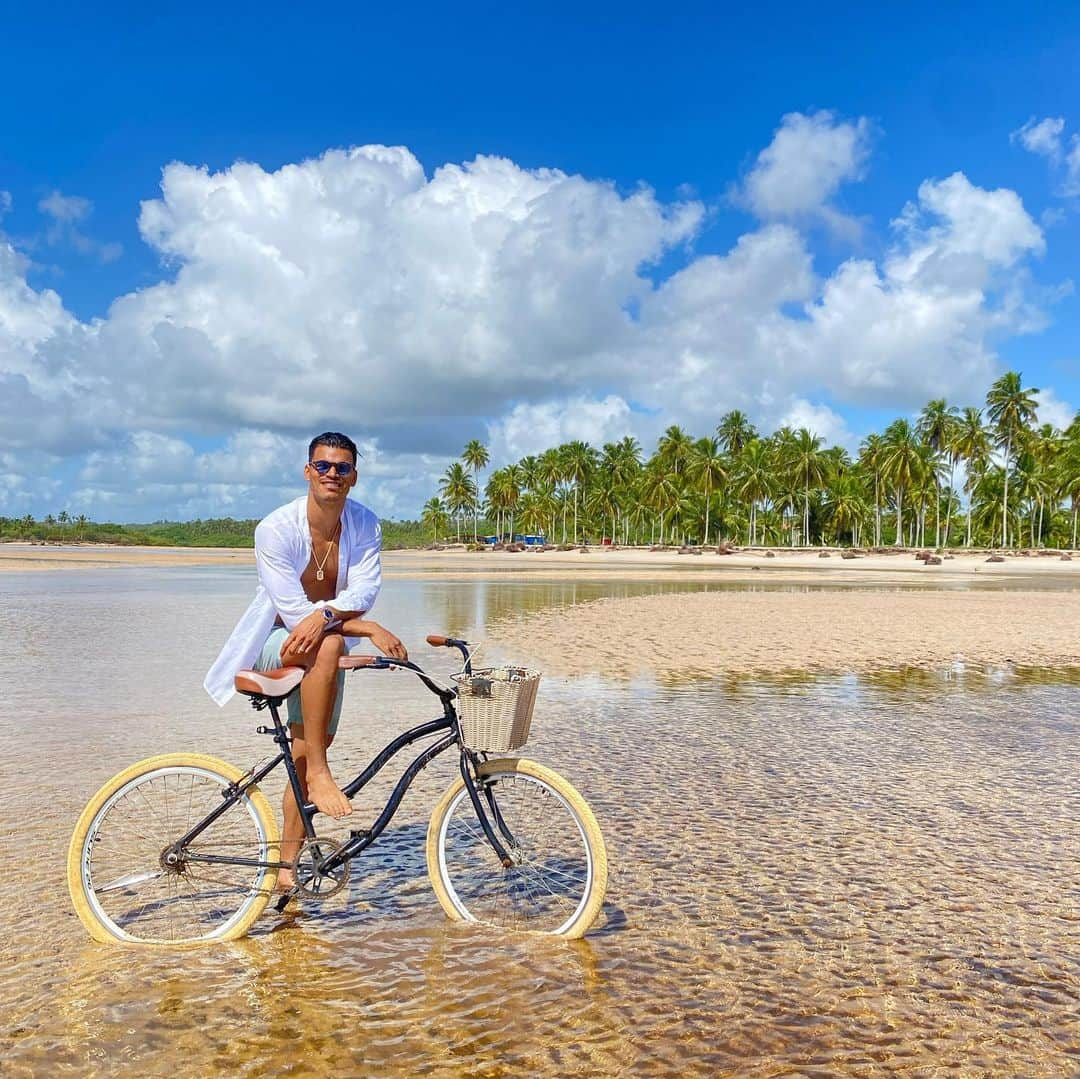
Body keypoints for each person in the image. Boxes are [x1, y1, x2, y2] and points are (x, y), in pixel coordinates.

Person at [204, 431, 407, 889]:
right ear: (307, 471)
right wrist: (366, 627)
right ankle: (321, 774)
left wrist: (335, 615)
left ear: (354, 477)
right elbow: (295, 614)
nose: (332, 474)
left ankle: (286, 872)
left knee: (303, 748)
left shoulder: (364, 524)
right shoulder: (275, 529)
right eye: (323, 466)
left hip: (325, 645)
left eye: (342, 467)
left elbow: (363, 591)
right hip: (278, 641)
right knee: (328, 656)